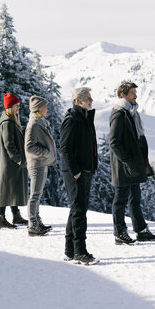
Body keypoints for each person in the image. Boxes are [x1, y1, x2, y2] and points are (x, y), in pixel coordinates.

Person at [109, 81, 155, 245]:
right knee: (121, 199)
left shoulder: (130, 113)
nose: (135, 96)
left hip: (133, 166)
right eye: (132, 93)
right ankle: (120, 233)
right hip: (124, 167)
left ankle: (141, 230)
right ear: (123, 95)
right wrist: (127, 162)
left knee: (135, 199)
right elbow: (114, 142)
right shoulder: (119, 114)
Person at [60, 86, 99, 264]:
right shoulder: (72, 119)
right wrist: (75, 170)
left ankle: (70, 250)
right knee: (79, 210)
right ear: (78, 101)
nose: (91, 101)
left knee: (77, 208)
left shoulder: (84, 118)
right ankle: (80, 251)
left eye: (91, 98)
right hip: (76, 172)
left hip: (86, 170)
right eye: (88, 98)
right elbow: (65, 148)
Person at [25, 95, 57, 236]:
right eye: (45, 107)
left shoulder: (40, 122)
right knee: (35, 195)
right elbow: (29, 147)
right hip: (37, 164)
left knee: (37, 194)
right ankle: (33, 224)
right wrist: (45, 152)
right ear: (39, 108)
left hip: (41, 163)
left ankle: (37, 222)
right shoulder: (33, 124)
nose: (47, 109)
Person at [0, 93, 29, 228]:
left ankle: (16, 215)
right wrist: (18, 159)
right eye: (16, 106)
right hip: (10, 162)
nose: (18, 108)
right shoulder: (7, 122)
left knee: (13, 189)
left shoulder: (12, 120)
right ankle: (1, 218)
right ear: (10, 106)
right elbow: (8, 144)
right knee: (5, 189)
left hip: (13, 162)